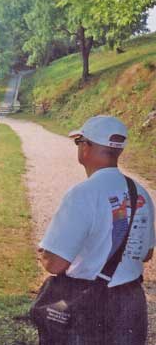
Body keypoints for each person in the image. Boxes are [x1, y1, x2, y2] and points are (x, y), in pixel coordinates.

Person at [38, 115, 155, 345]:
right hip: (132, 302)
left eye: (79, 141)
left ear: (86, 147)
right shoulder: (140, 192)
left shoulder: (83, 193)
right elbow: (147, 253)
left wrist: (46, 253)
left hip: (89, 301)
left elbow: (55, 263)